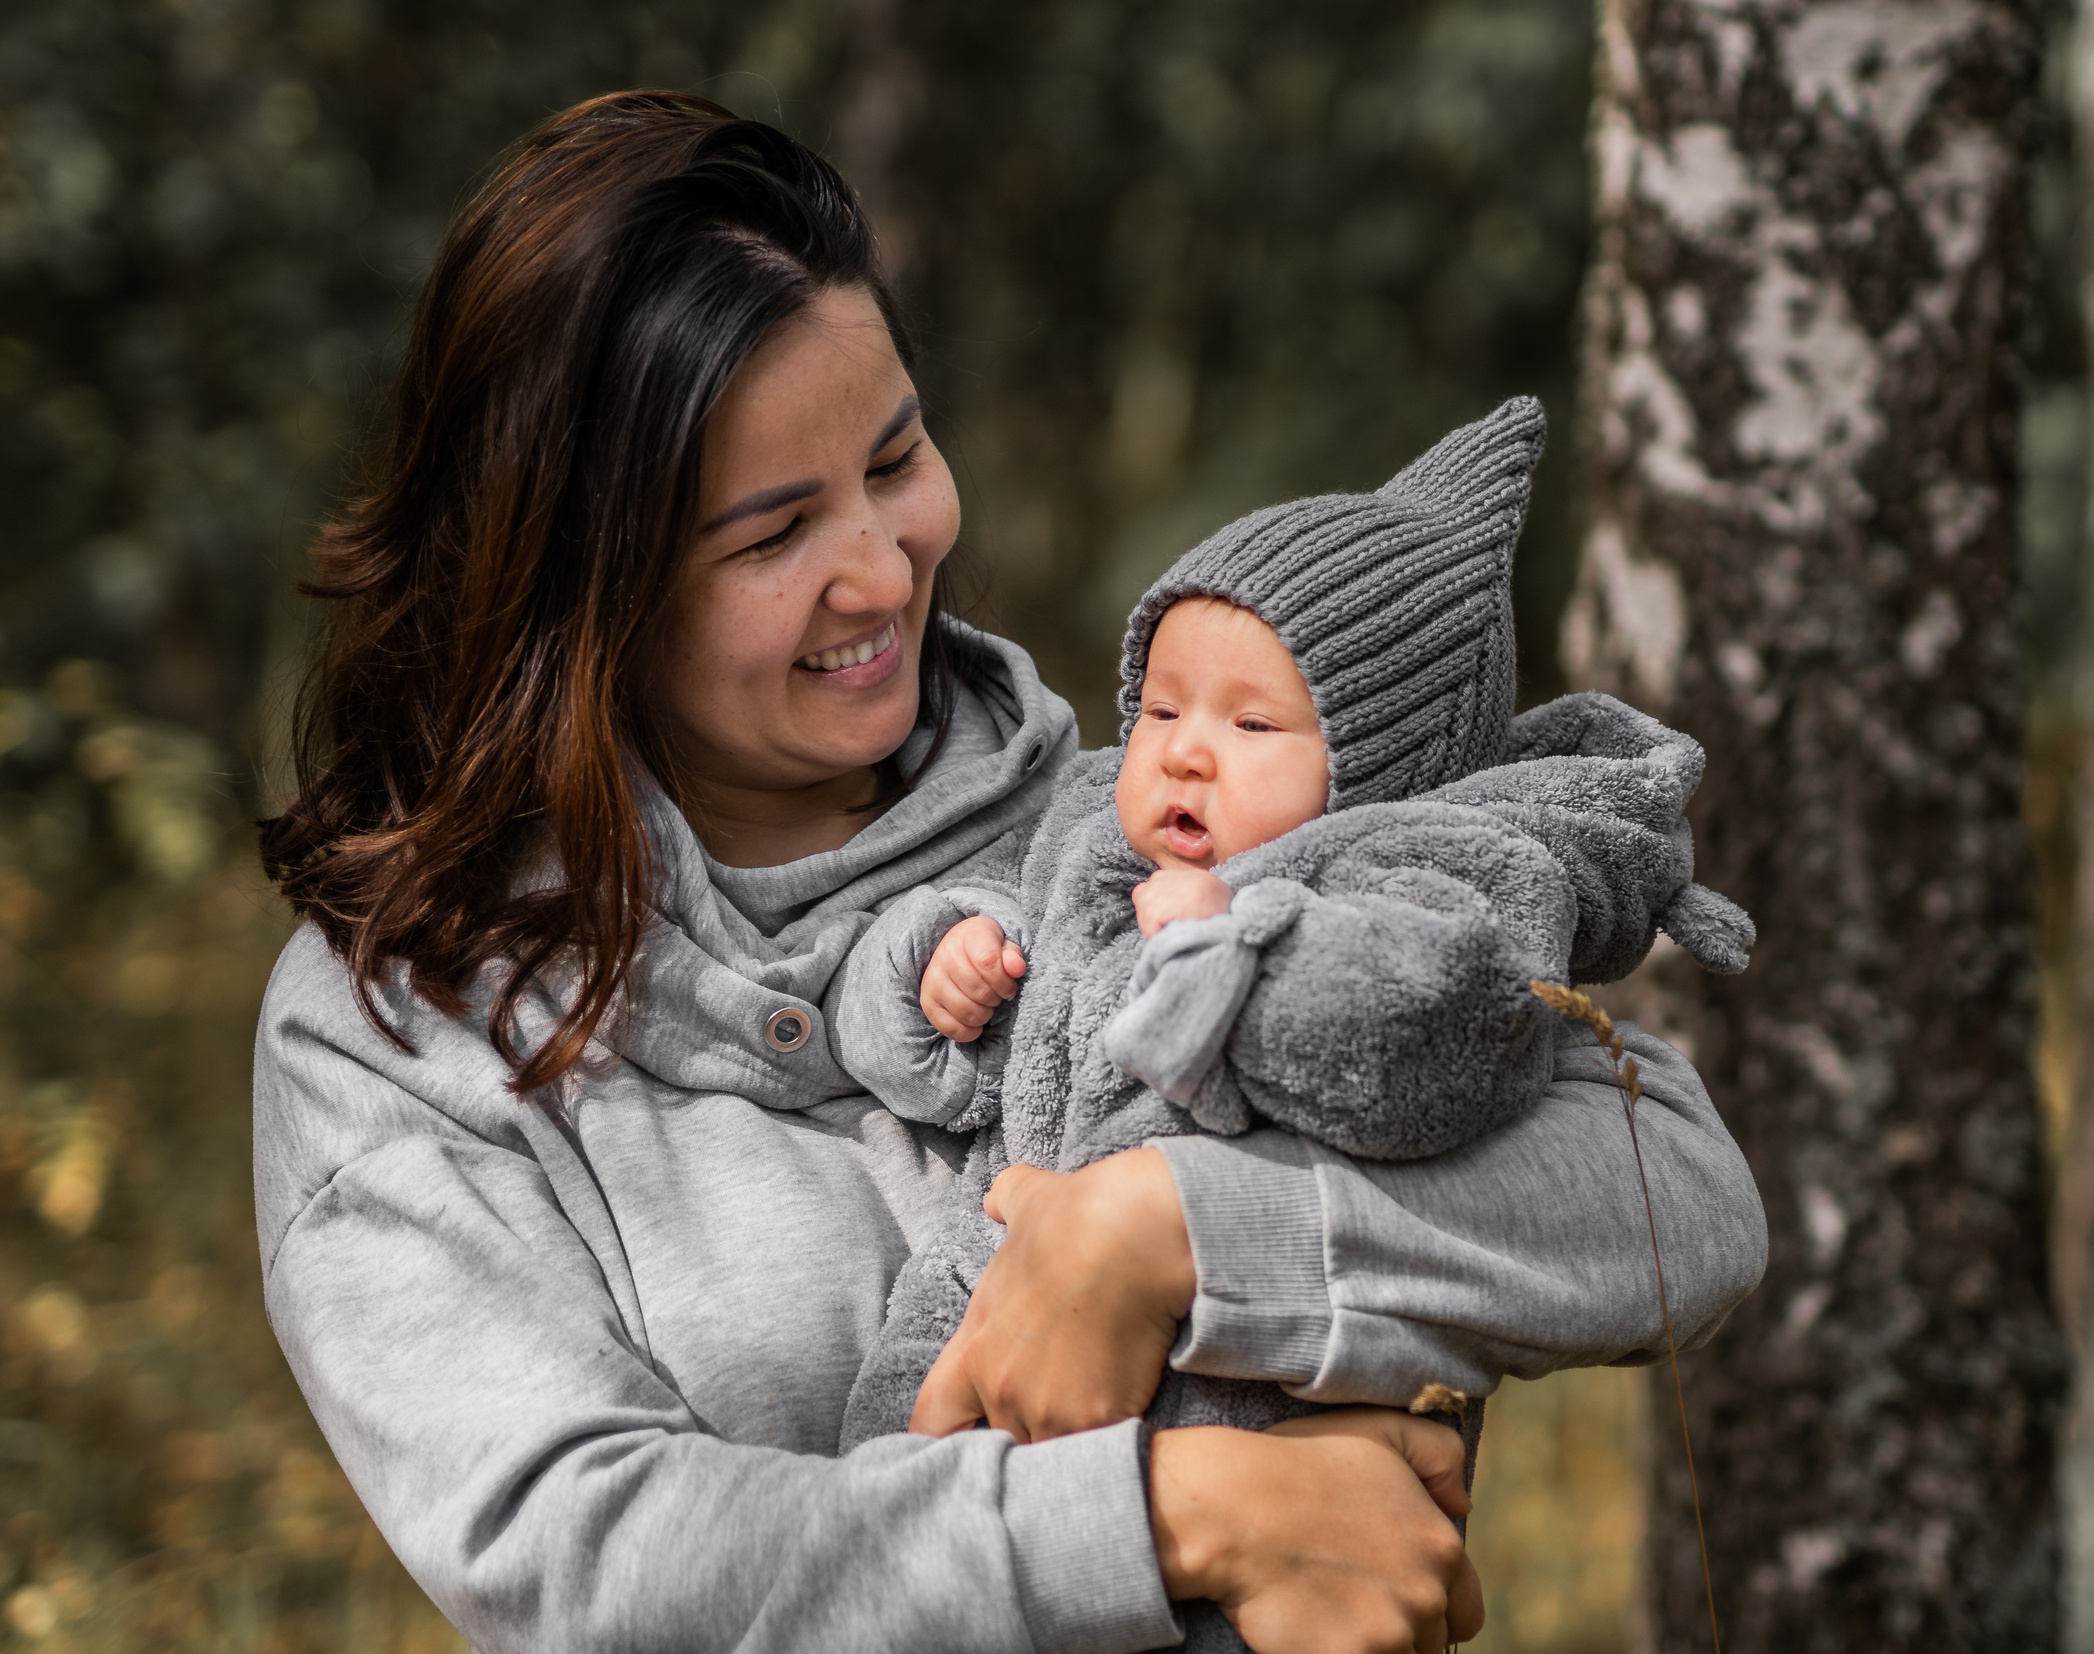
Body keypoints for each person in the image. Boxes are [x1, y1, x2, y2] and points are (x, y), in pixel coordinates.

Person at [253, 89, 1767, 1654]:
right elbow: (593, 1564)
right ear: (583, 591)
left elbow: (1678, 1191)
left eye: (896, 456)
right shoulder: (400, 1029)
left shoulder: (1130, 827)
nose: (882, 562)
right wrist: (1180, 1520)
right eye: (771, 534)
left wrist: (1171, 1228)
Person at [832, 398, 1758, 1525]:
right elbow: (995, 1025)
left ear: (1375, 766)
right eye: (1160, 707)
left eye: (1252, 726)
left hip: (1245, 1392)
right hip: (983, 1291)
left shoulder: (1411, 879)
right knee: (890, 1493)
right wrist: (942, 968)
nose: (1181, 751)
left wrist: (1234, 958)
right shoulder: (1089, 855)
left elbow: (1419, 1028)